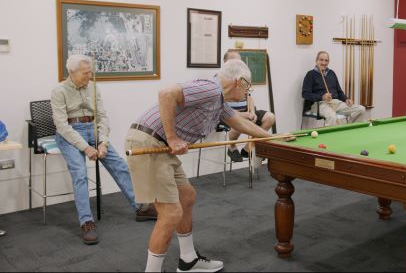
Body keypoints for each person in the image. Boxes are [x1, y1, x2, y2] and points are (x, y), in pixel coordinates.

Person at [125, 59, 287, 273]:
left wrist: (274, 137)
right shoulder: (210, 88)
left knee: (187, 196)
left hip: (161, 146)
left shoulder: (219, 101)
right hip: (149, 142)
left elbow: (242, 124)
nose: (248, 91)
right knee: (171, 213)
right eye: (248, 86)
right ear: (239, 81)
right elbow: (166, 94)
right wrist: (173, 138)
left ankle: (188, 260)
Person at [50, 54, 157, 246]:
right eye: (85, 73)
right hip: (69, 133)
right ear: (71, 72)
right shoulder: (59, 91)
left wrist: (103, 142)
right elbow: (61, 126)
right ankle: (86, 222)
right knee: (80, 174)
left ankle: (140, 207)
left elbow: (102, 117)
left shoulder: (93, 87)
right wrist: (85, 147)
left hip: (92, 130)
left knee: (120, 165)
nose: (89, 76)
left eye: (91, 72)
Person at [222, 51, 276, 163]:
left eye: (239, 61)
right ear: (225, 62)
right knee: (240, 121)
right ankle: (232, 147)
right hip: (227, 115)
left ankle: (248, 148)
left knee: (270, 117)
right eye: (233, 61)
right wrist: (243, 115)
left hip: (246, 111)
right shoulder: (220, 79)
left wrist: (252, 111)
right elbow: (221, 108)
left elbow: (249, 96)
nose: (236, 64)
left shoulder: (244, 77)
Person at [302, 51, 365, 126]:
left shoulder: (331, 73)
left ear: (328, 62)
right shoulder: (310, 74)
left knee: (361, 109)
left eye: (326, 60)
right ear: (316, 60)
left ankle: (349, 129)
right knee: (332, 117)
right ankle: (330, 137)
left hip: (336, 102)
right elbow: (305, 94)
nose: (324, 63)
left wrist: (346, 99)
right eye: (321, 60)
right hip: (319, 104)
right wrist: (322, 97)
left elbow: (339, 91)